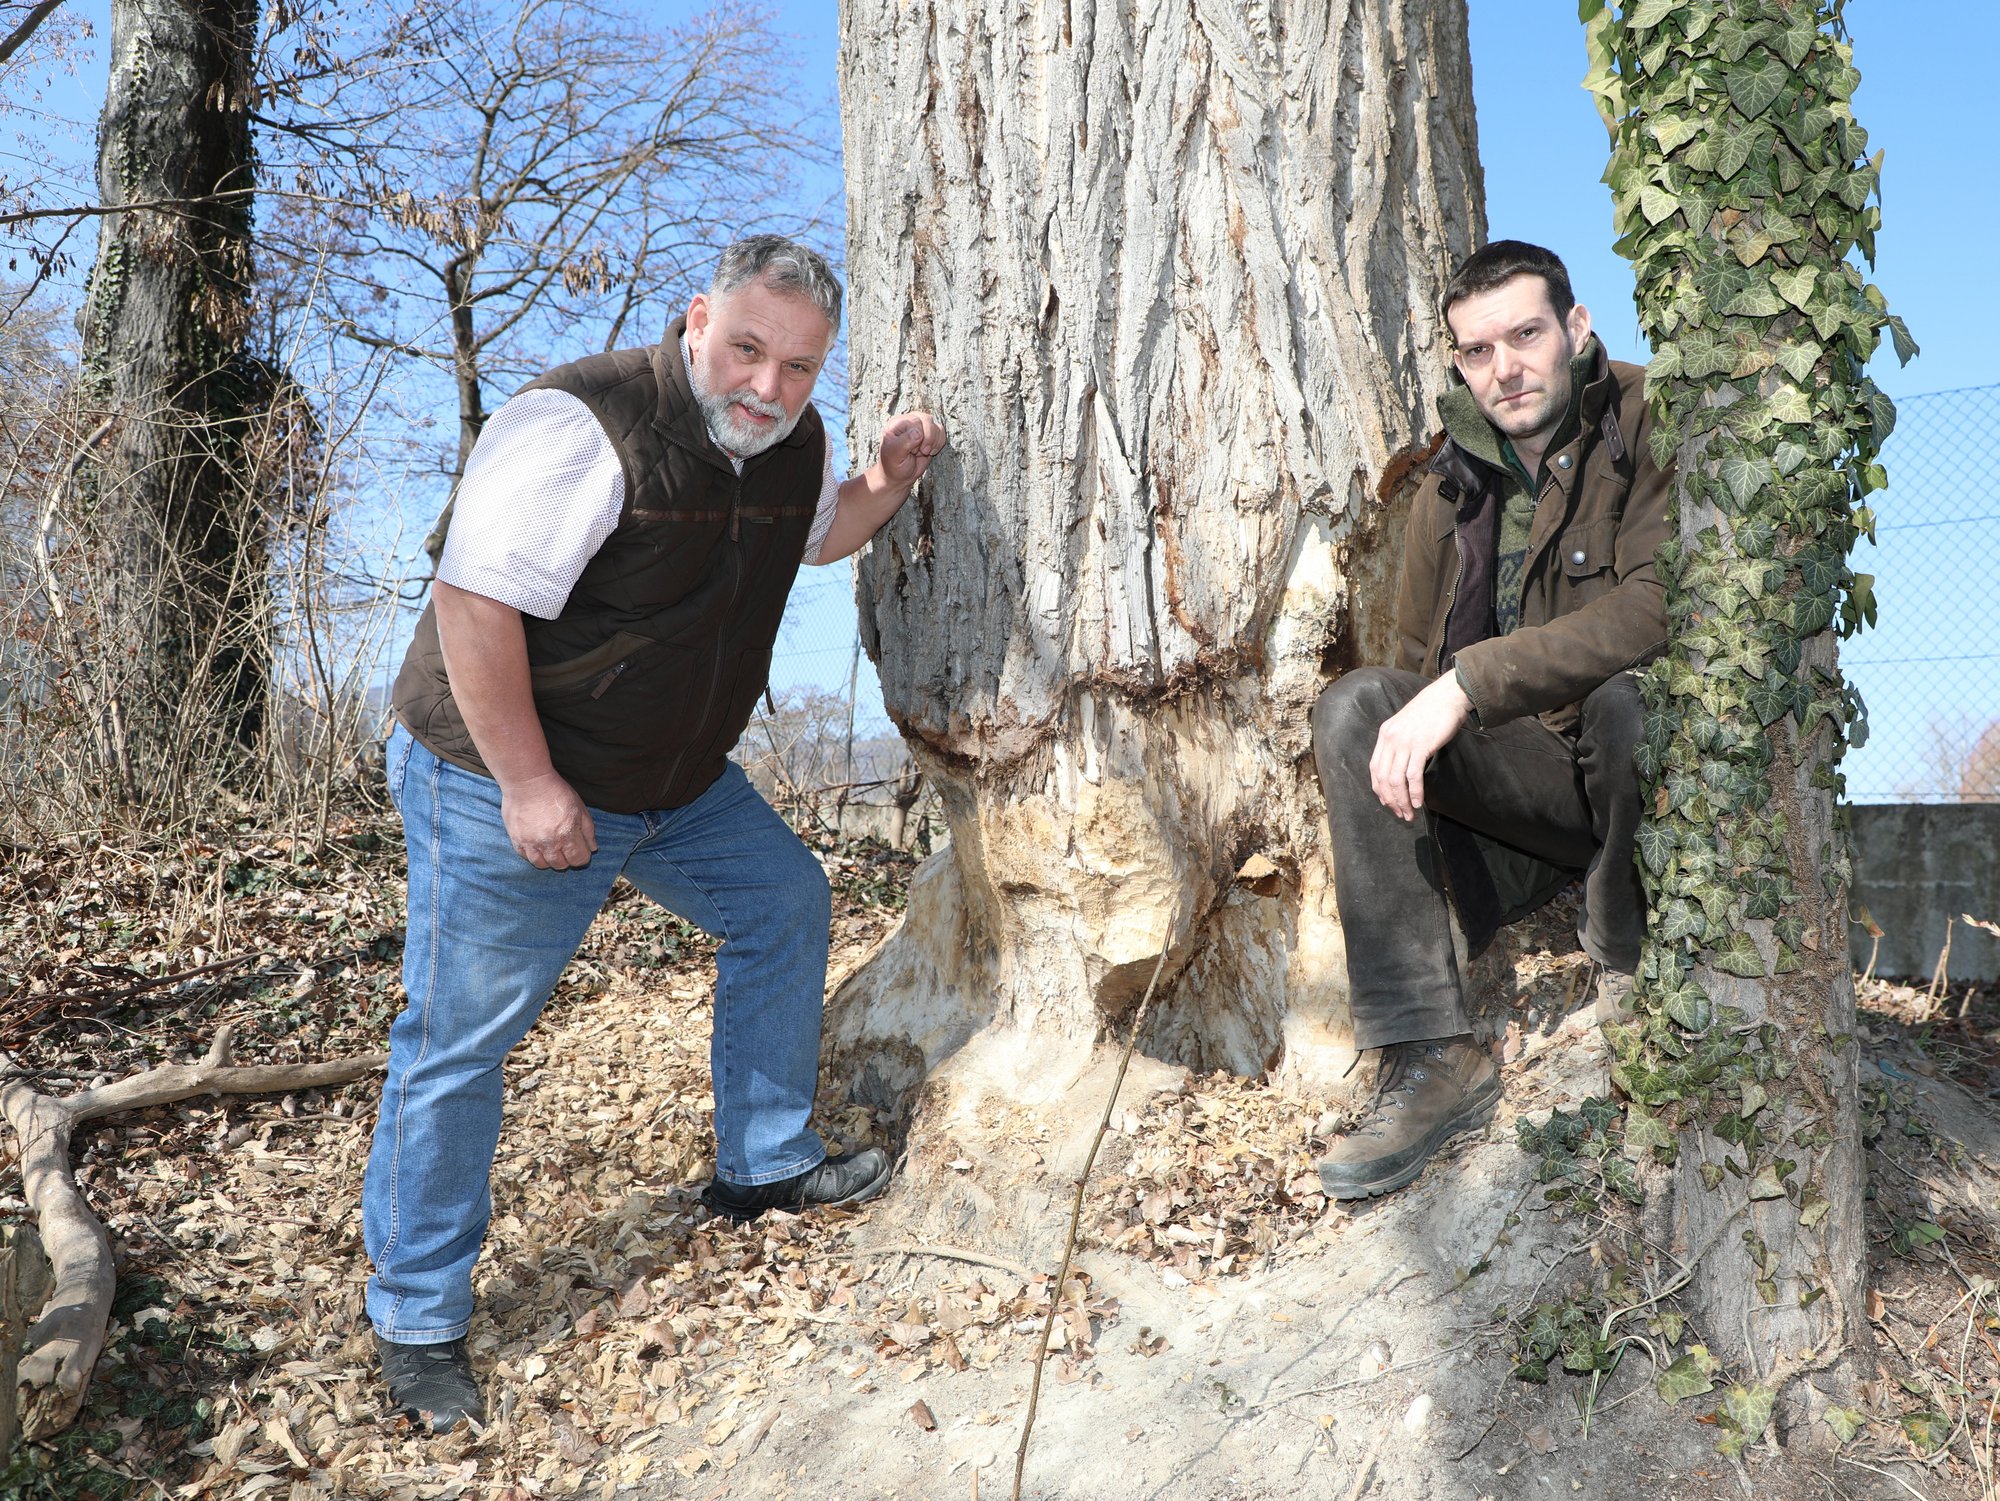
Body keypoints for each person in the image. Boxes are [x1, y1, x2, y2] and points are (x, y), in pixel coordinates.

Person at [366, 235, 946, 1432]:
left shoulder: (790, 444)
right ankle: (417, 1319)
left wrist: (883, 486)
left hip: (672, 782)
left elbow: (809, 534)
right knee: (461, 1040)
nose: (769, 386)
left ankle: (763, 1164)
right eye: (747, 348)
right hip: (496, 769)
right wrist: (530, 786)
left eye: (798, 365)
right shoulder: (581, 423)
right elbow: (473, 602)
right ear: (696, 321)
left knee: (779, 901)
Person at [1309, 240, 1670, 1202]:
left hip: (1625, 775)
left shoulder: (1645, 419)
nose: (1504, 367)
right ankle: (1429, 1056)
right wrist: (1432, 703)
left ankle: (1628, 974)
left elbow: (1652, 610)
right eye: (1477, 350)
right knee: (1357, 707)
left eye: (1525, 334)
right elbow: (1409, 659)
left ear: (1575, 327)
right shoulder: (1451, 477)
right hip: (1515, 794)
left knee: (1631, 702)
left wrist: (1467, 685)